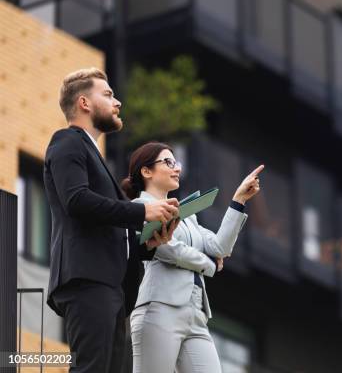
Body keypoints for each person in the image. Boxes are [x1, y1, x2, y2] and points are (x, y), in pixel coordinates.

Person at [43, 68, 181, 373]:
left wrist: (150, 244)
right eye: (107, 94)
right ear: (84, 103)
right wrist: (142, 211)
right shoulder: (67, 141)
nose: (117, 102)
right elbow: (76, 200)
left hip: (113, 288)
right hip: (88, 279)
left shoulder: (94, 155)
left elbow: (112, 229)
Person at [121, 141, 263, 373]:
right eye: (168, 162)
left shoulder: (186, 215)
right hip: (160, 308)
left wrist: (238, 201)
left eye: (176, 162)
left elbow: (219, 247)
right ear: (146, 171)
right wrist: (207, 264)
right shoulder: (141, 207)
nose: (176, 168)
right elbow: (168, 249)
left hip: (196, 314)